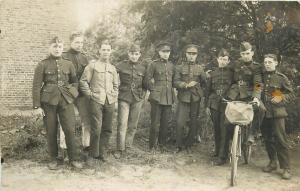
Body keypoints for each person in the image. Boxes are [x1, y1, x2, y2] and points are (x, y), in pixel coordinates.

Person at [32, 36, 83, 170]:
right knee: (51, 130)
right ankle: (53, 159)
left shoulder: (68, 64)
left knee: (70, 130)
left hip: (66, 101)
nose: (57, 49)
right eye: (55, 46)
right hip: (48, 102)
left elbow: (75, 81)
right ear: (50, 48)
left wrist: (71, 94)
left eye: (60, 47)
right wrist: (37, 106)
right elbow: (36, 86)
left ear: (62, 48)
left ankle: (73, 158)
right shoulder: (42, 64)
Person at [80, 40, 118, 163]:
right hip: (96, 100)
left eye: (108, 50)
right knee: (96, 128)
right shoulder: (92, 66)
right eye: (103, 50)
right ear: (99, 51)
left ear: (110, 52)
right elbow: (83, 81)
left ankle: (102, 153)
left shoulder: (112, 68)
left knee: (107, 128)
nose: (106, 52)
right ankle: (92, 154)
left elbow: (116, 85)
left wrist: (114, 94)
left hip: (110, 101)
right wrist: (90, 94)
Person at [260, 53, 294, 180]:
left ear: (276, 63)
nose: (267, 64)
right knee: (268, 138)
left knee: (281, 139)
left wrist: (281, 96)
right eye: (266, 62)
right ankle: (273, 162)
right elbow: (257, 90)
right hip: (264, 112)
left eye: (270, 62)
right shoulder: (261, 77)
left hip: (278, 113)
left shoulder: (281, 78)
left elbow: (291, 94)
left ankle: (286, 168)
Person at [227, 42, 266, 143]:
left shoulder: (257, 67)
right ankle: (230, 137)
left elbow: (258, 83)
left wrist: (256, 97)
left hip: (249, 94)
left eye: (247, 53)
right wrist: (209, 70)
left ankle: (253, 132)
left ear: (252, 53)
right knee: (225, 110)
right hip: (235, 93)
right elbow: (224, 68)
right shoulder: (236, 64)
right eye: (243, 53)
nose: (245, 56)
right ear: (240, 54)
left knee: (261, 109)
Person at [114, 44, 147, 158]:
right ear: (128, 54)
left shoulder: (143, 68)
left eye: (136, 54)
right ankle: (120, 149)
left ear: (139, 55)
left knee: (133, 124)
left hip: (137, 99)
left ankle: (128, 146)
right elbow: (112, 76)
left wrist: (142, 95)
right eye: (132, 54)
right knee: (122, 123)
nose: (134, 56)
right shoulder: (120, 65)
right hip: (124, 97)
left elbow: (146, 84)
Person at [173, 44, 206, 152]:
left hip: (196, 98)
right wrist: (185, 85)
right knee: (180, 122)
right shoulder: (179, 67)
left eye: (194, 54)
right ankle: (178, 145)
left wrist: (201, 93)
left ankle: (189, 144)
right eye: (189, 54)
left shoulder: (200, 68)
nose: (191, 56)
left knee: (194, 122)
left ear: (197, 55)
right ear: (186, 54)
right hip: (183, 97)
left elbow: (204, 83)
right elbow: (175, 82)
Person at [62, 31, 91, 151]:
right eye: (77, 42)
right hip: (68, 93)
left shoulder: (84, 57)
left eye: (81, 42)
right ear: (71, 42)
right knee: (66, 120)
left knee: (86, 119)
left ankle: (86, 145)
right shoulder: (63, 56)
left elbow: (87, 76)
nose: (80, 45)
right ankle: (64, 147)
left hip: (82, 94)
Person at [145, 41, 176, 152]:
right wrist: (153, 90)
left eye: (168, 52)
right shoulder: (153, 64)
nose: (166, 54)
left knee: (165, 123)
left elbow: (174, 81)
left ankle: (162, 145)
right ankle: (152, 145)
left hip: (168, 98)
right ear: (159, 52)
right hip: (157, 98)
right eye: (163, 52)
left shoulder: (171, 65)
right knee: (154, 123)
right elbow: (147, 79)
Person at [205, 48, 234, 164]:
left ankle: (223, 156)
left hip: (227, 104)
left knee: (224, 129)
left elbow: (236, 87)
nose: (222, 61)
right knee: (216, 128)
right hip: (214, 104)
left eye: (225, 59)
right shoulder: (212, 73)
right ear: (217, 60)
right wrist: (206, 106)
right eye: (221, 59)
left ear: (228, 61)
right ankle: (217, 151)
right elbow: (208, 90)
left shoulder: (232, 74)